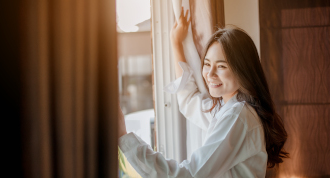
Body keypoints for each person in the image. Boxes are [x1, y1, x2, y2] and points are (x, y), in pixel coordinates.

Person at [118, 7, 289, 178]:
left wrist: (124, 138)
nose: (210, 74)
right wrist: (176, 44)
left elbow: (189, 175)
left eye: (221, 66)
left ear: (242, 70)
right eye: (207, 64)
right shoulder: (227, 108)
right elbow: (189, 101)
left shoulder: (237, 116)